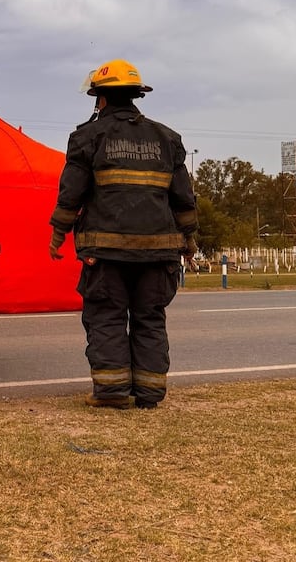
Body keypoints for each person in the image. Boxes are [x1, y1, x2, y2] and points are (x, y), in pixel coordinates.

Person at [49, 59, 198, 410]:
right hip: (159, 253)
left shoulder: (87, 137)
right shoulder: (167, 139)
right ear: (135, 95)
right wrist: (189, 240)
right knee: (150, 319)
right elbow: (183, 198)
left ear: (100, 98)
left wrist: (58, 233)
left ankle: (113, 392)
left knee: (107, 317)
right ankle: (149, 394)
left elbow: (72, 192)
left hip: (105, 253)